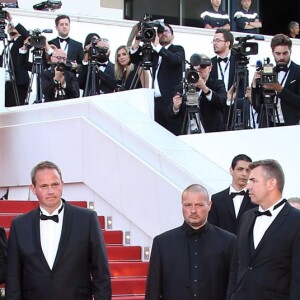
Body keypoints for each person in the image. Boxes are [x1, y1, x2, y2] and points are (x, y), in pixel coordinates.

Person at [5, 161, 111, 300]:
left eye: (55, 184)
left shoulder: (87, 219)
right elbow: (13, 277)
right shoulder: (19, 225)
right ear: (33, 189)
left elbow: (101, 272)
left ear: (62, 184)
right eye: (44, 186)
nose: (50, 191)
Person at [145, 184, 236, 299]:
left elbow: (234, 287)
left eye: (199, 205)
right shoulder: (162, 243)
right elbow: (153, 289)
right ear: (182, 205)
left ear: (209, 205)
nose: (193, 210)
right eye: (188, 205)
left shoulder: (228, 241)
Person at [229, 159, 300, 299]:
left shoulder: (296, 221)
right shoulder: (246, 217)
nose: (247, 186)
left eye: (253, 181)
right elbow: (236, 267)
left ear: (271, 183)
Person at [130, 23, 185, 135]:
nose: (163, 33)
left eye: (166, 31)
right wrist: (137, 40)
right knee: (158, 133)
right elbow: (135, 59)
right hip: (156, 100)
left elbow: (175, 60)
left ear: (173, 36)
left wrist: (157, 46)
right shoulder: (154, 52)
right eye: (160, 31)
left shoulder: (177, 49)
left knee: (173, 133)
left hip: (171, 99)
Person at [251, 34, 300, 126]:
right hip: (268, 124)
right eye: (278, 54)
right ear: (272, 52)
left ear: (290, 51)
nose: (281, 57)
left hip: (292, 124)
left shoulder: (298, 71)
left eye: (285, 53)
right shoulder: (267, 72)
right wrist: (254, 85)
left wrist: (280, 89)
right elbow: (257, 106)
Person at [170, 53, 227, 134]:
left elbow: (222, 102)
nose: (199, 69)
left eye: (203, 66)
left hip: (210, 132)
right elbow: (171, 114)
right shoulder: (181, 86)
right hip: (186, 131)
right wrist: (175, 107)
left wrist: (204, 88)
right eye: (196, 66)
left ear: (210, 68)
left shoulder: (217, 84)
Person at [208, 154, 257, 234]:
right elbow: (212, 228)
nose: (244, 174)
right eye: (240, 169)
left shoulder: (256, 199)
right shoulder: (217, 199)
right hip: (223, 246)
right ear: (231, 170)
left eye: (248, 170)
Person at [0, 12, 30, 107]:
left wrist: (11, 20)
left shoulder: (22, 40)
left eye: (13, 25)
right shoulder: (5, 47)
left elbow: (27, 35)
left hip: (18, 83)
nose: (11, 26)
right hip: (5, 84)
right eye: (9, 25)